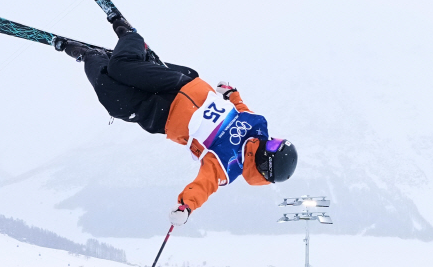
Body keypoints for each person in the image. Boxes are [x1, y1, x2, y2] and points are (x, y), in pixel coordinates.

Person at [63, 23, 298, 223]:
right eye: (276, 141)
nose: (270, 141)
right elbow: (242, 109)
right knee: (121, 68)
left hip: (163, 115)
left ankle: (90, 56)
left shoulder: (227, 165)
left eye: (273, 146)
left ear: (267, 163)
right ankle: (130, 37)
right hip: (183, 86)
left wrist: (186, 206)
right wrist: (232, 94)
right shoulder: (260, 127)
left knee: (115, 99)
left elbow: (204, 186)